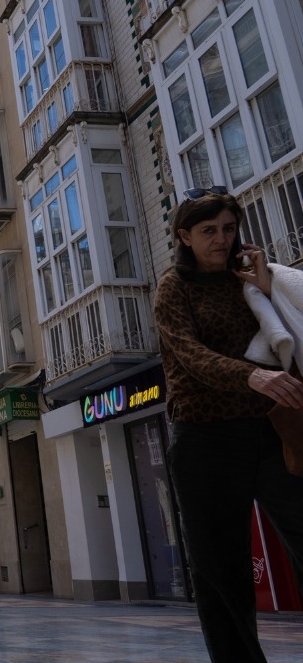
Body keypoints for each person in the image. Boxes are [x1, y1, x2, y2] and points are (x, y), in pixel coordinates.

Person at [154, 188, 303, 663]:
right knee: (220, 571)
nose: (221, 239)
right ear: (184, 236)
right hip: (205, 439)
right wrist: (251, 375)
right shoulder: (173, 287)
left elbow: (288, 333)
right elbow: (189, 354)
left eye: (228, 228)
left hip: (271, 430)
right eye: (208, 231)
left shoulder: (249, 276)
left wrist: (266, 287)